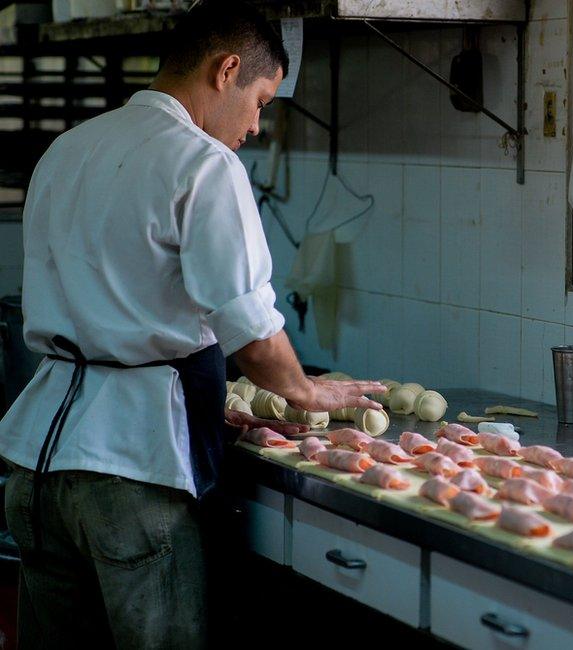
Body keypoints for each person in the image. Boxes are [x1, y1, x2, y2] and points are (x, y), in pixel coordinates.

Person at [0, 1, 384, 647]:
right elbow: (252, 330)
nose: (257, 126)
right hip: (132, 474)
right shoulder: (202, 163)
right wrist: (309, 393)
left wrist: (202, 403)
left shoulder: (68, 149)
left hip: (38, 467)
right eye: (260, 100)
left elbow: (116, 309)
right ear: (226, 69)